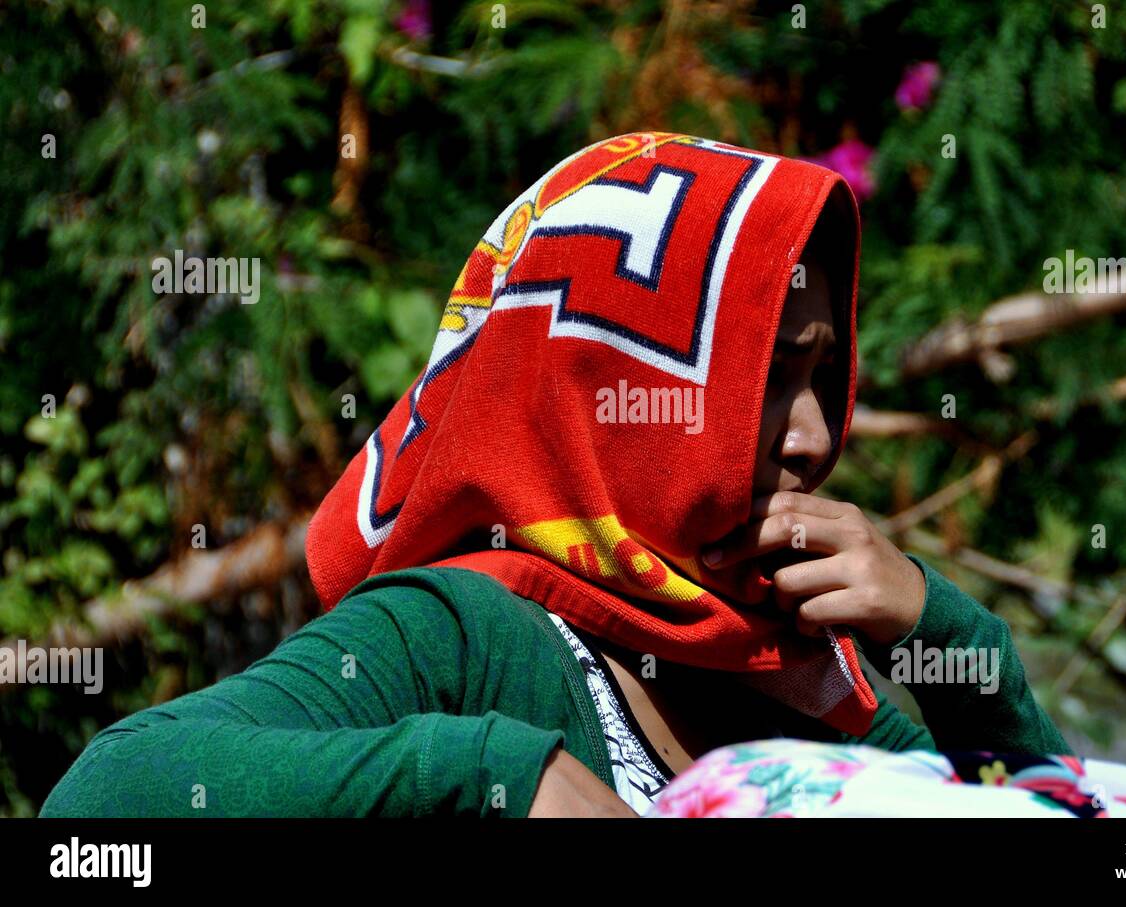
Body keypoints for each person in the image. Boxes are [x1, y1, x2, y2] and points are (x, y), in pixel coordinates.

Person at [40, 132, 1068, 819]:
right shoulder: (458, 636)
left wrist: (945, 631)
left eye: (820, 375)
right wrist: (491, 775)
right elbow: (106, 795)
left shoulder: (794, 675)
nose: (807, 437)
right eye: (761, 378)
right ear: (613, 381)